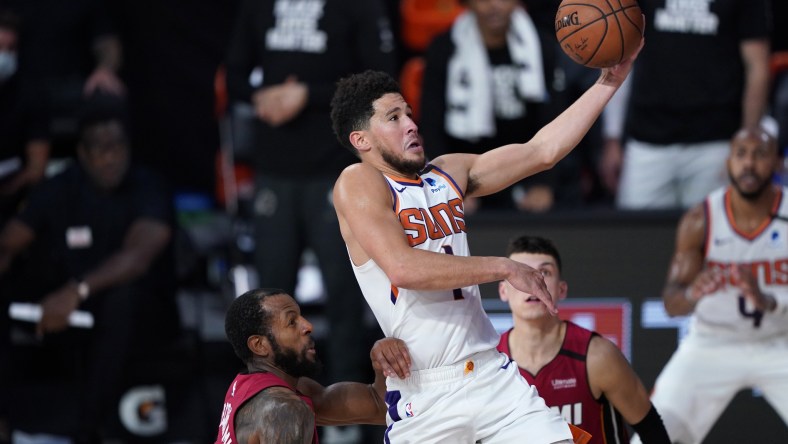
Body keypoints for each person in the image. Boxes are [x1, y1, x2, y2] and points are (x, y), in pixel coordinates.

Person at [328, 28, 641, 441]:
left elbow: (541, 151)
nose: (411, 124)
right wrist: (503, 267)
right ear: (361, 139)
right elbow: (403, 268)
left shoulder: (447, 171)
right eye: (394, 118)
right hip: (426, 390)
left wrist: (609, 82)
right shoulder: (358, 182)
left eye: (408, 113)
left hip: (491, 376)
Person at [224, 1, 398, 421]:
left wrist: (308, 94)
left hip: (334, 171)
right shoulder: (259, 6)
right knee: (268, 303)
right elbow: (232, 76)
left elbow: (382, 78)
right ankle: (268, 406)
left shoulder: (358, 8)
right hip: (274, 170)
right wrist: (258, 96)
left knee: (344, 297)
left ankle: (344, 417)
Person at [0, 102, 176, 443]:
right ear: (82, 153)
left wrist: (75, 291)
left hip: (137, 314)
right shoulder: (60, 187)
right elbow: (10, 243)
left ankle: (88, 429)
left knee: (122, 300)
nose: (110, 157)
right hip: (64, 311)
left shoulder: (148, 186)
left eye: (117, 147)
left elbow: (139, 255)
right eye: (100, 148)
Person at [634, 126, 788, 443]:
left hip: (780, 340)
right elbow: (671, 303)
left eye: (760, 154)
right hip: (713, 342)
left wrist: (767, 300)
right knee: (652, 438)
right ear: (728, 162)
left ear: (776, 163)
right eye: (741, 154)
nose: (749, 164)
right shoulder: (700, 219)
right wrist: (692, 293)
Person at [495, 235, 670, 444]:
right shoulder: (492, 364)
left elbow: (652, 430)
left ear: (562, 289)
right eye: (522, 272)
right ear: (503, 291)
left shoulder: (596, 356)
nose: (534, 282)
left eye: (545, 272)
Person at [603, 0, 772, 209]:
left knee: (713, 237)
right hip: (646, 139)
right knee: (635, 237)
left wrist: (745, 145)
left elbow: (757, 66)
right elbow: (621, 56)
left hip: (716, 143)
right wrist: (612, 137)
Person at [419, 0, 561, 213]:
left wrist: (545, 184)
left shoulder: (542, 46)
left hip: (527, 167)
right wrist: (450, 184)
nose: (494, 5)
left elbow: (554, 119)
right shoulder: (445, 48)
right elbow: (431, 124)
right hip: (466, 171)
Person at [217, 287, 404, 444]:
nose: (308, 326)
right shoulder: (283, 409)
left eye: (301, 316)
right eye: (291, 322)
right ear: (259, 345)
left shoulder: (256, 387)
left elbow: (380, 407)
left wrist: (383, 364)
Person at [4, 0, 125, 159]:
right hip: (17, 87)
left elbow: (107, 42)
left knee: (109, 99)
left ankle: (104, 173)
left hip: (69, 89)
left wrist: (104, 69)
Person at [0, 9, 50, 226]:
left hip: (10, 192)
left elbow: (37, 166)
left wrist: (10, 189)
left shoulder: (28, 95)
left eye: (10, 49)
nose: (3, 57)